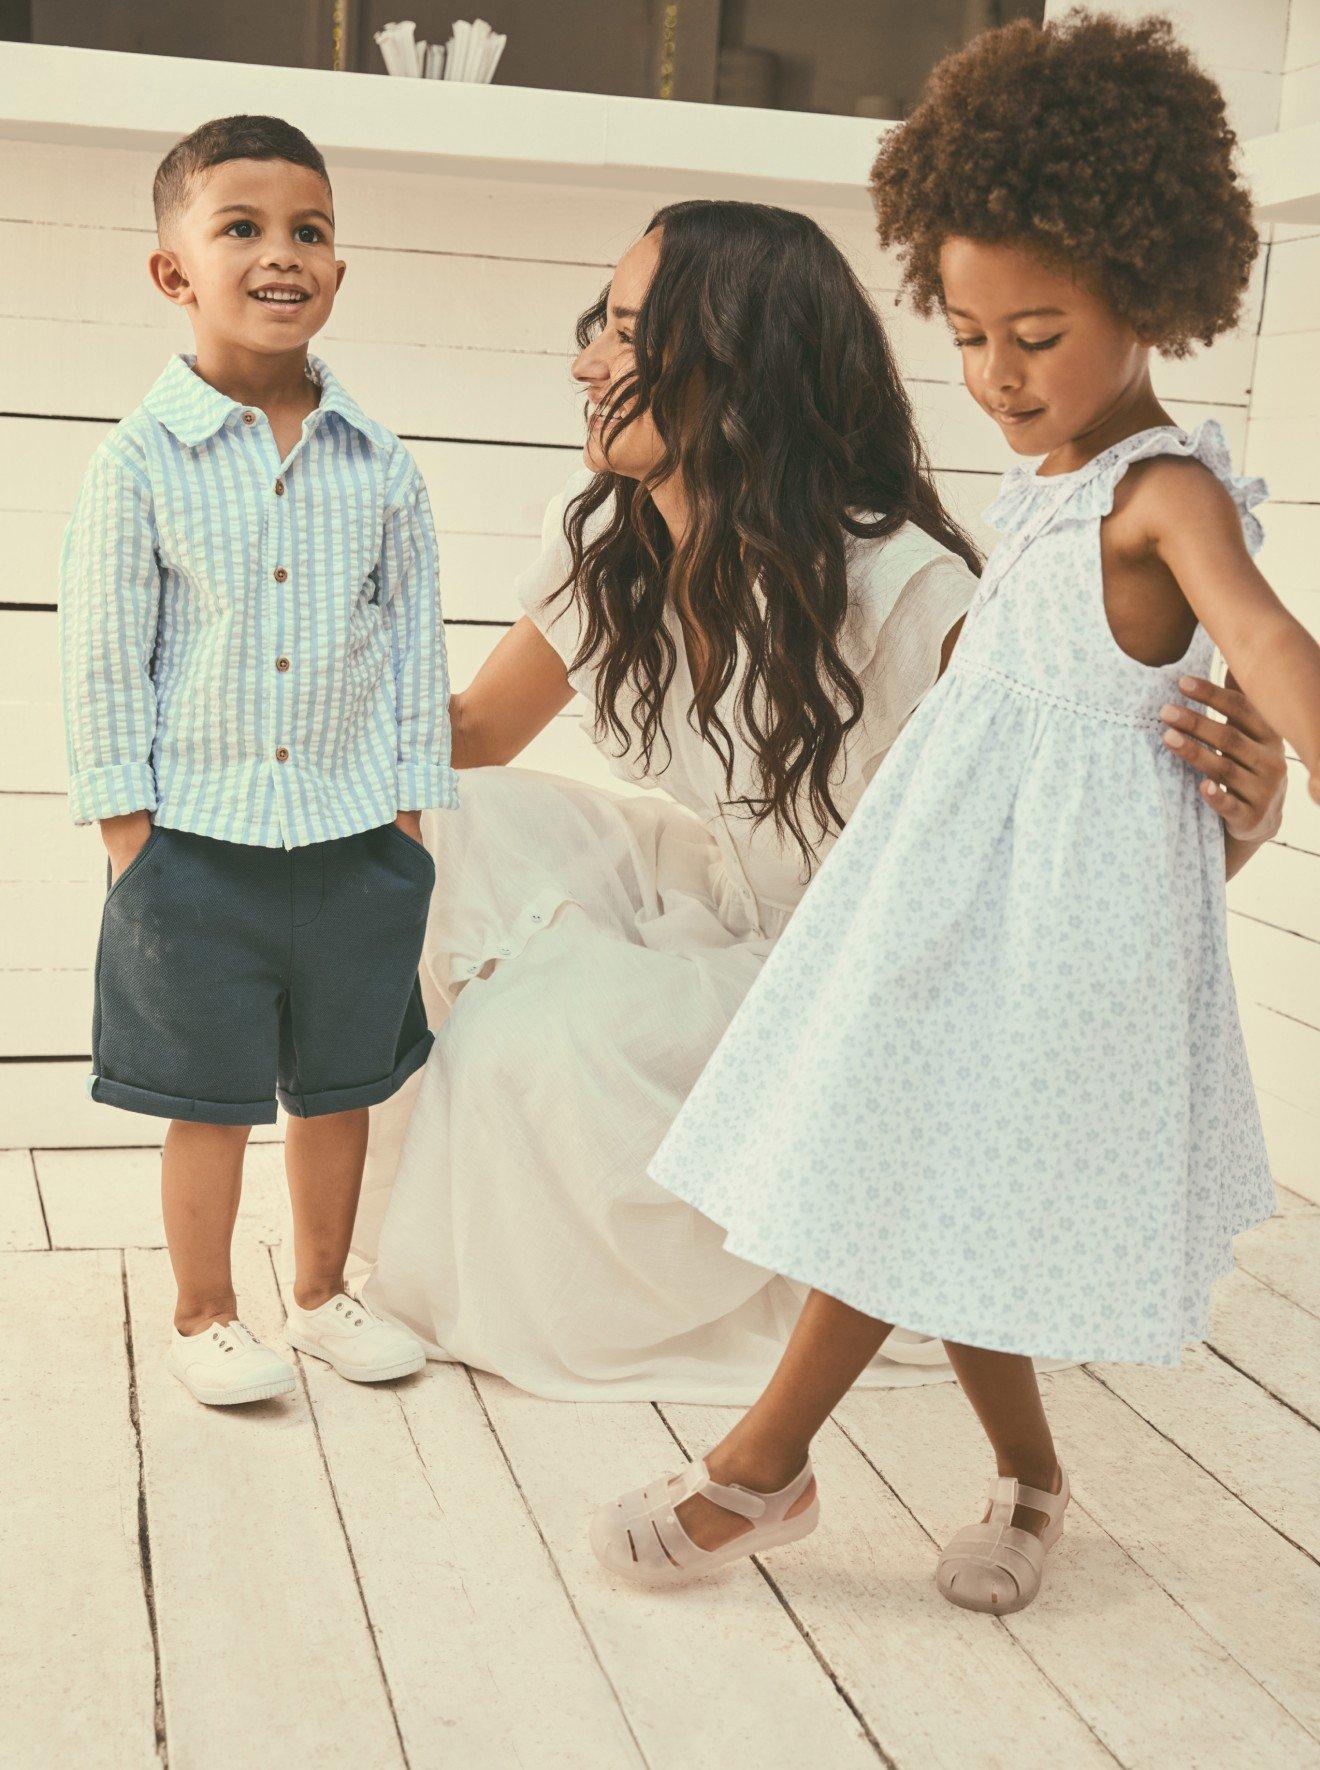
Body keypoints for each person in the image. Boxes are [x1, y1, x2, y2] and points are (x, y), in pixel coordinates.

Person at [594, 12, 1320, 1608]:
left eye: (1040, 333)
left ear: (1153, 298)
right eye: (974, 333)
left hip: (1055, 933)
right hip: (943, 905)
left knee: (908, 1174)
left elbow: (1263, 641)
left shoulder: (1167, 491)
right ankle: (1035, 1480)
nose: (999, 373)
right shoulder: (1048, 482)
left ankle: (758, 1469)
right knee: (936, 1187)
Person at [358, 196, 1287, 1405]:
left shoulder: (907, 594)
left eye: (631, 334)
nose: (589, 359)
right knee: (425, 825)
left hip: (846, 977)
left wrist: (1246, 825)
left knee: (534, 1038)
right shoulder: (614, 540)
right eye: (602, 323)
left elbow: (1053, 864)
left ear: (740, 368)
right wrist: (270, 733)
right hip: (715, 890)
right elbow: (473, 732)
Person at [58, 115, 449, 1405]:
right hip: (195, 851)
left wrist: (407, 823)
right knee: (207, 1098)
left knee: (339, 1089)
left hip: (353, 843)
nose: (281, 255)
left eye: (310, 231)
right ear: (173, 272)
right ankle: (204, 1312)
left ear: (338, 267)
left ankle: (327, 1297)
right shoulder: (139, 463)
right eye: (242, 229)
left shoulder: (381, 466)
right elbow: (106, 656)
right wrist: (132, 839)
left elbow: (406, 649)